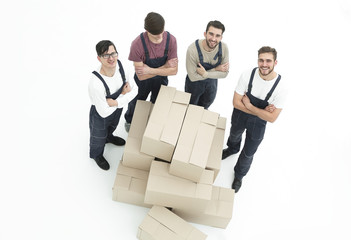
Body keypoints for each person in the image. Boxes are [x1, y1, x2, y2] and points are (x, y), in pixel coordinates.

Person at [222, 46, 287, 192]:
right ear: (257, 60)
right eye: (261, 60)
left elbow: (272, 118)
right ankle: (232, 149)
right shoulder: (247, 75)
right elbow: (236, 103)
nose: (264, 64)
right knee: (234, 134)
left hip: (258, 124)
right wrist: (262, 111)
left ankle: (239, 175)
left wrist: (250, 107)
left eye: (268, 61)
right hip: (240, 115)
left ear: (275, 62)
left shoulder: (281, 88)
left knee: (249, 152)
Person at [124, 12, 178, 132]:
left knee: (157, 101)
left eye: (161, 32)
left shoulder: (171, 40)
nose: (159, 37)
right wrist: (165, 67)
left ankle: (152, 120)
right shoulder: (137, 44)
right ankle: (130, 119)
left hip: (161, 80)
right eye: (155, 35)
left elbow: (174, 71)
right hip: (143, 82)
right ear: (147, 30)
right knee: (137, 101)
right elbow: (141, 76)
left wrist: (149, 70)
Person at [89, 40, 137, 170]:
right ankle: (96, 155)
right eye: (106, 55)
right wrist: (124, 96)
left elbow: (135, 90)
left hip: (115, 108)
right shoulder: (96, 83)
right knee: (97, 138)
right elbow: (103, 111)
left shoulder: (123, 67)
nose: (111, 58)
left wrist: (117, 101)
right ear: (99, 58)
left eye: (113, 53)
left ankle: (109, 137)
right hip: (100, 114)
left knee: (113, 125)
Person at [185, 20, 229, 109]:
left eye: (217, 36)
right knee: (189, 108)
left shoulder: (224, 48)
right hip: (194, 85)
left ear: (221, 37)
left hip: (211, 86)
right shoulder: (192, 50)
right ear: (205, 34)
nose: (213, 39)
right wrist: (215, 70)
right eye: (211, 34)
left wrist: (206, 73)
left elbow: (225, 73)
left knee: (204, 111)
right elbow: (193, 77)